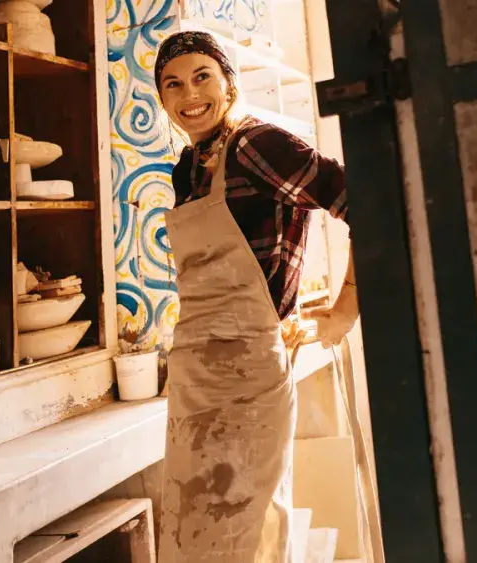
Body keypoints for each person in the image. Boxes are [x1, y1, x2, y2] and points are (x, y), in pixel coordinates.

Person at [153, 31, 358, 562]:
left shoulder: (256, 144)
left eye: (202, 76)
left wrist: (345, 309)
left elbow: (364, 200)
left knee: (247, 535)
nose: (188, 93)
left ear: (229, 81)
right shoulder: (187, 168)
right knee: (192, 532)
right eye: (172, 84)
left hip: (249, 375)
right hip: (194, 376)